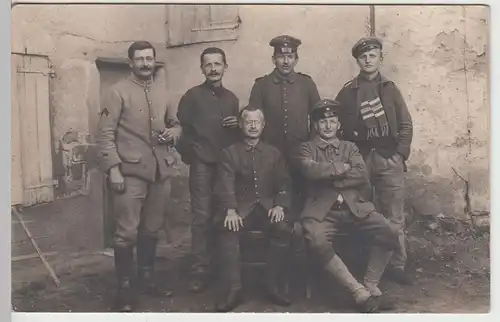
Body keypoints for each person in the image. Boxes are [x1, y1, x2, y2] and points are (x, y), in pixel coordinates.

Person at [96, 41, 181, 312]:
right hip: (130, 172)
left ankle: (146, 279)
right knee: (126, 233)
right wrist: (113, 169)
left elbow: (175, 123)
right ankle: (124, 288)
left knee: (151, 229)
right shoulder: (117, 92)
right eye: (140, 59)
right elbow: (105, 134)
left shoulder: (163, 90)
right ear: (130, 62)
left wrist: (174, 132)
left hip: (161, 171)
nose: (145, 63)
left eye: (149, 58)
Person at [296, 99, 399, 313]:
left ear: (339, 124)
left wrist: (329, 175)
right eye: (322, 122)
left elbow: (362, 174)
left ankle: (370, 284)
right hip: (322, 212)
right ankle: (358, 291)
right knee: (315, 239)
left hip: (355, 208)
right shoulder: (306, 148)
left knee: (389, 230)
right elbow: (309, 171)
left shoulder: (350, 147)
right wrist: (341, 168)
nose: (327, 126)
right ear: (315, 125)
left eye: (332, 121)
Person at [335, 37, 414, 284]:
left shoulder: (390, 89)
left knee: (394, 214)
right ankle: (366, 264)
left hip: (388, 157)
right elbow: (337, 129)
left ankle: (397, 266)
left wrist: (400, 154)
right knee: (363, 212)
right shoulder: (348, 92)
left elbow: (405, 123)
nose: (368, 60)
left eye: (373, 55)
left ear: (381, 58)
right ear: (357, 60)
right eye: (363, 56)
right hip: (361, 159)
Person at [214, 106, 293, 312]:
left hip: (267, 207)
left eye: (257, 122)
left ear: (263, 125)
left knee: (283, 229)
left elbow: (284, 184)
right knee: (227, 229)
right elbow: (225, 184)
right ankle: (234, 288)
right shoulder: (229, 154)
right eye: (248, 122)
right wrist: (230, 209)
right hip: (241, 209)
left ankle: (271, 283)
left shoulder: (274, 153)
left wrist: (279, 204)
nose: (252, 126)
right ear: (241, 125)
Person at [176, 47, 241, 293]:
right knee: (201, 217)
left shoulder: (232, 99)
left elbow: (237, 136)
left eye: (218, 64)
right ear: (202, 68)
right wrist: (191, 155)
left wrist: (238, 124)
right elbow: (181, 129)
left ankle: (223, 267)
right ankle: (200, 270)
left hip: (226, 167)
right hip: (202, 165)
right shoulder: (192, 96)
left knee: (224, 214)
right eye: (208, 65)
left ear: (225, 66)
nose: (213, 69)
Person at [248, 35, 321, 221]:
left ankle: (300, 244)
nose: (286, 61)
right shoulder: (261, 86)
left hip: (300, 154)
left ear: (296, 59)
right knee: (272, 202)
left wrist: (311, 148)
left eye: (290, 56)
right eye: (281, 56)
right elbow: (253, 120)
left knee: (302, 199)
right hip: (271, 154)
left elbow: (317, 119)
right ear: (274, 59)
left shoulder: (307, 84)